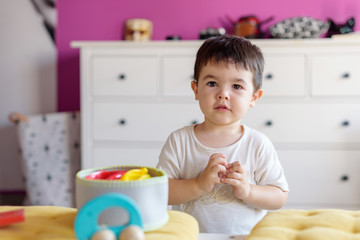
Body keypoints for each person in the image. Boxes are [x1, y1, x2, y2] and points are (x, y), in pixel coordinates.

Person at [156, 35, 289, 235]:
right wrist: (198, 184)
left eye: (237, 86)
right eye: (212, 83)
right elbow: (161, 192)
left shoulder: (257, 144)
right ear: (196, 89)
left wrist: (248, 190)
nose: (223, 94)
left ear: (254, 97)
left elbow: (279, 196)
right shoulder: (180, 141)